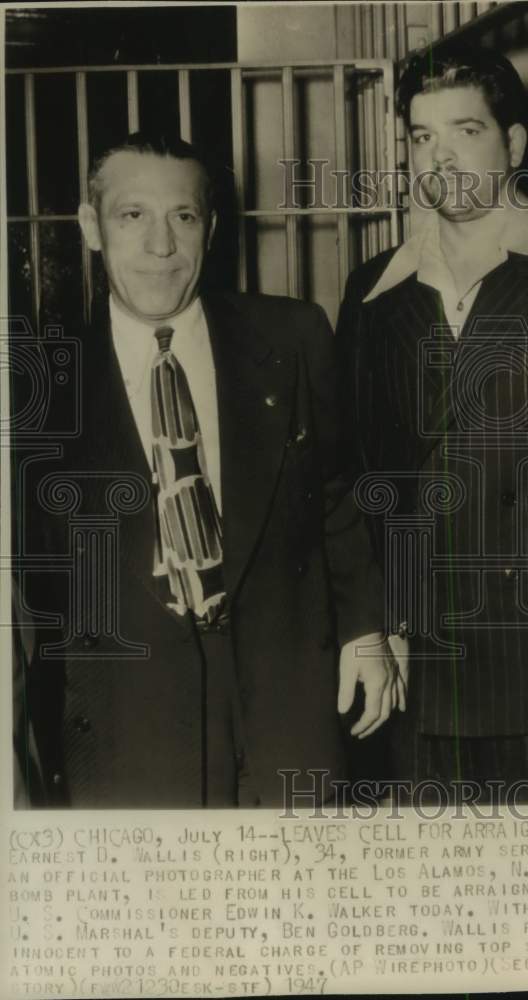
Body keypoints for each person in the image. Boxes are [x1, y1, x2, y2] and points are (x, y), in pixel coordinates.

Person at [14, 130, 403, 809]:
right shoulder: (39, 383)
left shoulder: (293, 336)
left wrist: (365, 629)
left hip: (287, 699)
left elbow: (338, 492)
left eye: (183, 217)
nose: (161, 247)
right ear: (91, 227)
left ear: (211, 228)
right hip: (124, 722)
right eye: (132, 216)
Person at [336, 47, 528, 803]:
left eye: (464, 131)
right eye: (422, 137)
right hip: (416, 675)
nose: (440, 157)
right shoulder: (372, 291)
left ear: (512, 144)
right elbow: (356, 478)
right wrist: (374, 626)